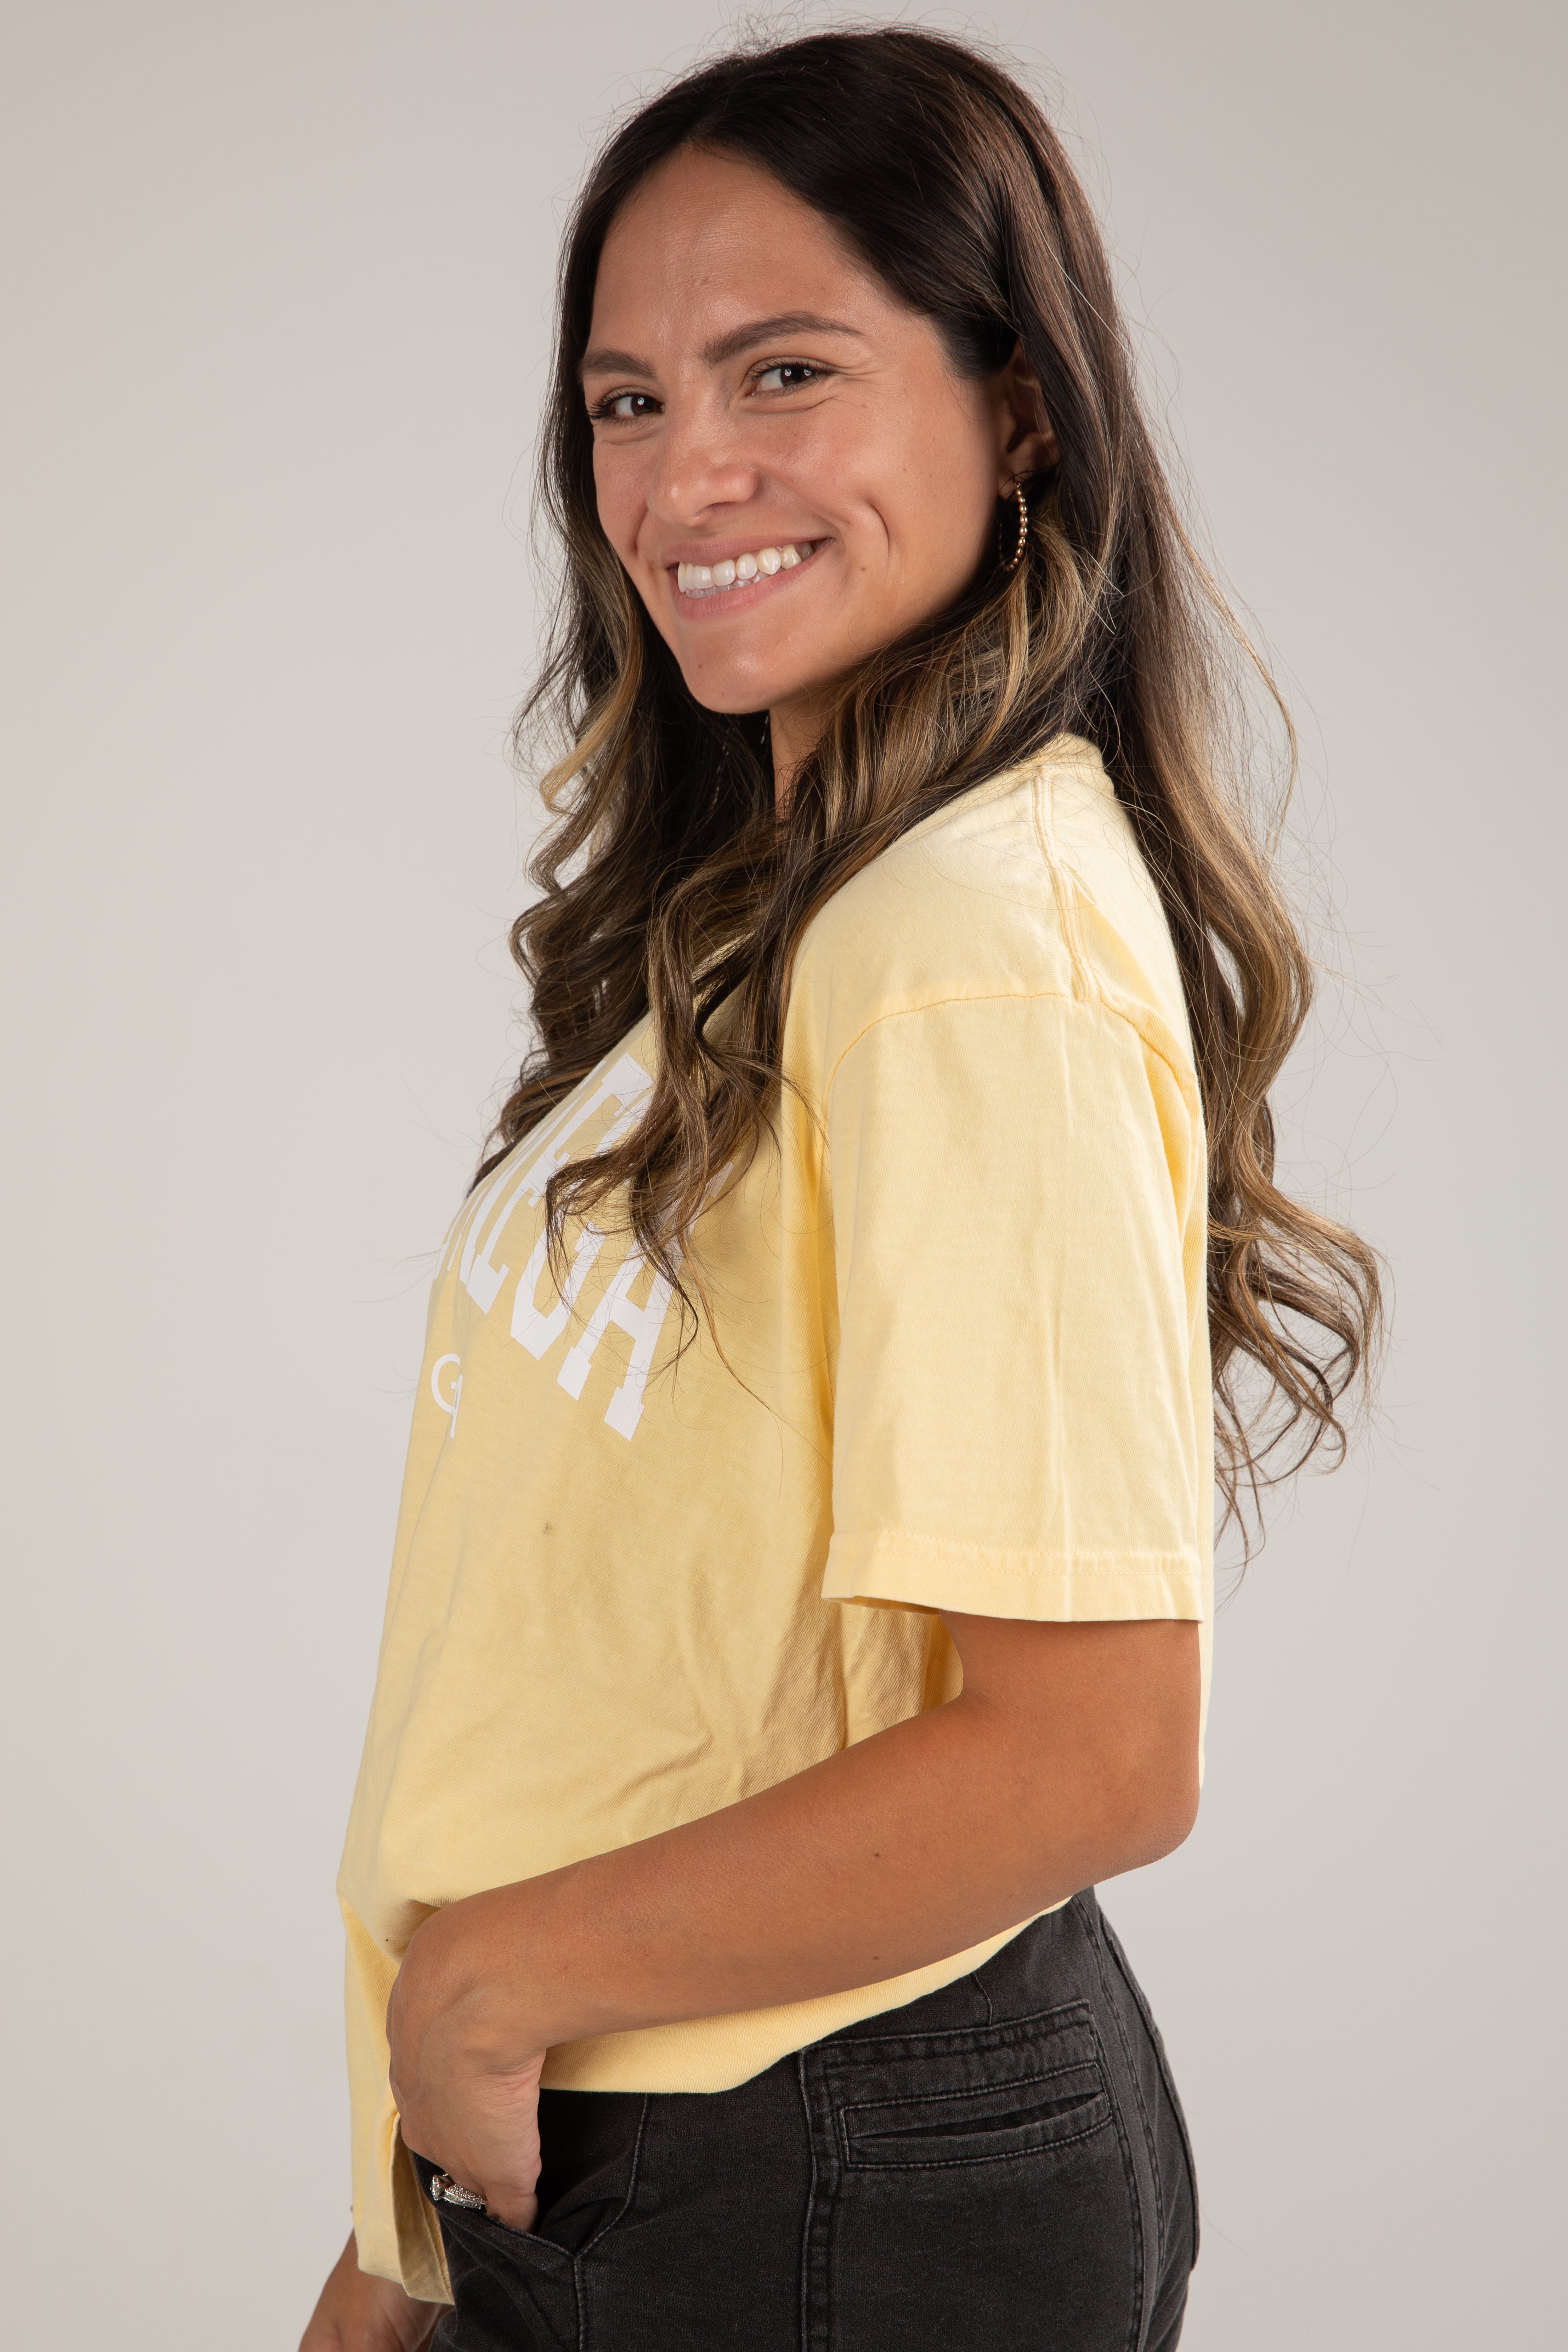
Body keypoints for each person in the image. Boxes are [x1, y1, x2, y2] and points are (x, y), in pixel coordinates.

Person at [301, 27, 1380, 2351]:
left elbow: (1097, 1745)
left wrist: (495, 1980)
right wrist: (408, 2209)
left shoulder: (962, 942)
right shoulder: (781, 907)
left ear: (1014, 405)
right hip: (640, 2130)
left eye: (779, 369)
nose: (688, 473)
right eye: (624, 400)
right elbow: (628, 1640)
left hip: (811, 2165)